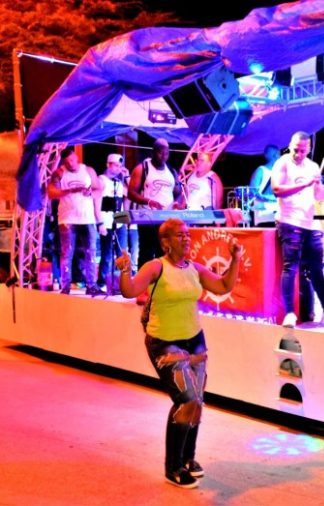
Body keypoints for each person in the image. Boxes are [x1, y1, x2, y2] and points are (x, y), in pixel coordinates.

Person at [114, 218, 241, 489]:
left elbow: (223, 286)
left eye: (187, 234)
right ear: (165, 242)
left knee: (197, 402)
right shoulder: (156, 267)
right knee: (187, 400)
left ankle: (187, 458)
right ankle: (173, 467)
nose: (186, 239)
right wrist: (124, 270)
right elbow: (129, 290)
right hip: (164, 343)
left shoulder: (194, 268)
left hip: (195, 341)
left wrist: (235, 259)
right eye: (179, 235)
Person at [271, 131, 324, 328]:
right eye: (295, 149)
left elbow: (319, 197)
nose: (298, 154)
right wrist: (306, 184)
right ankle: (289, 314)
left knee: (317, 268)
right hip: (289, 221)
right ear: (290, 146)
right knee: (290, 267)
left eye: (303, 150)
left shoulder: (313, 166)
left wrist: (321, 187)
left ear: (309, 149)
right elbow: (277, 190)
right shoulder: (282, 163)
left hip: (310, 222)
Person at [47, 146, 104, 295]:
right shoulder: (59, 173)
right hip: (67, 218)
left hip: (87, 217)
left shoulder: (88, 170)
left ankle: (92, 285)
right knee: (67, 252)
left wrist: (90, 192)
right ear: (63, 162)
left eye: (72, 160)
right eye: (67, 162)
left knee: (91, 251)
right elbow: (51, 193)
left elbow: (98, 190)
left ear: (76, 157)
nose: (70, 164)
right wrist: (71, 190)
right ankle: (65, 286)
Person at [128, 138, 183, 268]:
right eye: (160, 152)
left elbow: (178, 193)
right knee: (147, 251)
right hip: (148, 217)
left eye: (166, 153)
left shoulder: (171, 171)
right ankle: (144, 280)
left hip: (167, 218)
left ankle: (161, 278)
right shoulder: (143, 168)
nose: (163, 156)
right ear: (153, 152)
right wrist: (148, 201)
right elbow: (131, 193)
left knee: (164, 251)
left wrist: (176, 203)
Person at [97, 153, 130, 293]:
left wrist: (127, 177)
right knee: (107, 254)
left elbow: (128, 196)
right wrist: (99, 223)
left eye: (120, 166)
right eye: (116, 165)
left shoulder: (119, 182)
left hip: (119, 218)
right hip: (106, 219)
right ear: (108, 165)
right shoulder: (101, 180)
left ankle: (121, 282)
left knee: (123, 253)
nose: (118, 168)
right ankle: (102, 282)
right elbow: (96, 201)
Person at [250, 144, 281, 226]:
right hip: (263, 216)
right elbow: (252, 192)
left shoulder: (280, 173)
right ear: (266, 155)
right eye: (274, 154)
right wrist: (267, 198)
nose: (276, 156)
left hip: (278, 215)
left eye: (277, 154)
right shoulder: (261, 170)